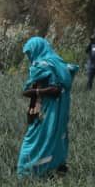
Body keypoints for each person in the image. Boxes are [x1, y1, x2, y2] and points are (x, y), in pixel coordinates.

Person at [17, 37, 78, 178]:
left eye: (29, 53)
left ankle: (26, 172)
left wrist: (36, 92)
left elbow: (48, 90)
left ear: (36, 50)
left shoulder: (41, 65)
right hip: (61, 108)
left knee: (34, 139)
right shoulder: (59, 63)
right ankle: (55, 169)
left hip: (47, 109)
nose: (29, 57)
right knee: (54, 137)